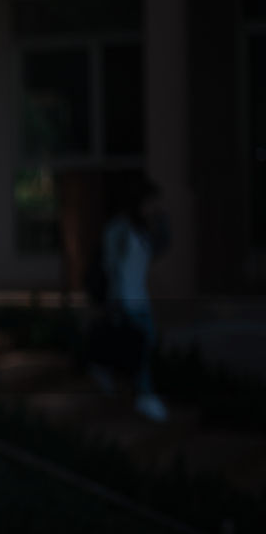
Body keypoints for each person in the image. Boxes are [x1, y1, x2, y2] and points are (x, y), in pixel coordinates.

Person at [85, 177, 170, 422]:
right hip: (124, 301)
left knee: (143, 345)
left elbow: (157, 250)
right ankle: (143, 396)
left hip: (140, 300)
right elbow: (111, 267)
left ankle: (110, 374)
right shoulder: (119, 229)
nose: (153, 206)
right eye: (151, 201)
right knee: (139, 347)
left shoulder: (143, 229)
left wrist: (161, 221)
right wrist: (115, 302)